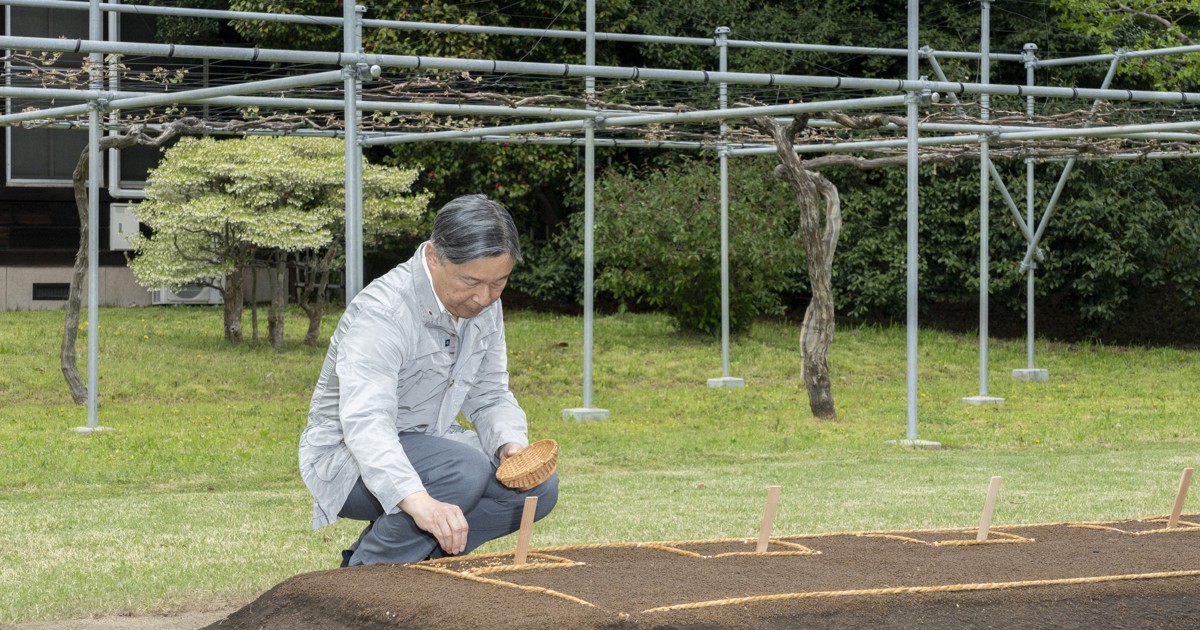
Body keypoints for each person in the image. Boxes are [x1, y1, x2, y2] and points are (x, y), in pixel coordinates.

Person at [299, 194, 558, 567]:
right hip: (347, 458)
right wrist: (417, 500)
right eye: (471, 281)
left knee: (538, 488)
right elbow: (367, 422)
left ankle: (425, 564)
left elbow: (489, 393)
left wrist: (509, 444)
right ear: (434, 257)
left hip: (433, 446)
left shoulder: (483, 303)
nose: (483, 298)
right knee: (463, 472)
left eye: (499, 283)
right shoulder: (384, 313)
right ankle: (362, 577)